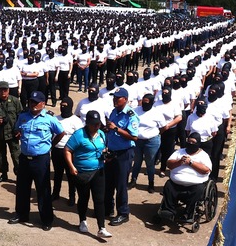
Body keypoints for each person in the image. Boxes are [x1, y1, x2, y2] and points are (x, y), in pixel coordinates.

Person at [9, 91, 63, 231]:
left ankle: (46, 219)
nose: (32, 104)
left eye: (35, 102)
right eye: (30, 102)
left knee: (43, 189)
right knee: (22, 188)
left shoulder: (49, 119)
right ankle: (21, 214)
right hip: (25, 158)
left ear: (43, 104)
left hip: (41, 159)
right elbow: (17, 129)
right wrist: (17, 133)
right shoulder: (23, 116)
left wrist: (51, 144)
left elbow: (61, 132)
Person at [64, 110, 112, 238]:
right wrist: (71, 166)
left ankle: (102, 228)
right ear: (87, 123)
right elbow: (67, 150)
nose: (97, 126)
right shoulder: (79, 135)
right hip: (82, 172)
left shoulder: (101, 134)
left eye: (98, 124)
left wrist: (106, 154)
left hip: (99, 170)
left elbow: (103, 148)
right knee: (84, 198)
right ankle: (82, 221)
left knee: (99, 199)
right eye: (94, 124)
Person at [154, 131, 212, 224]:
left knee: (198, 190)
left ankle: (188, 214)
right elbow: (169, 164)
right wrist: (179, 162)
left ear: (198, 143)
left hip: (195, 184)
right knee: (168, 186)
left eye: (193, 142)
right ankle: (168, 211)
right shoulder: (179, 152)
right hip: (176, 183)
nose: (191, 144)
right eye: (189, 141)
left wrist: (191, 163)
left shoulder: (203, 155)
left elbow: (206, 170)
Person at [106, 87, 139, 226]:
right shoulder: (114, 111)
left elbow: (134, 136)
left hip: (124, 154)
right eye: (114, 97)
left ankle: (123, 213)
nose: (114, 100)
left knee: (120, 184)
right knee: (108, 183)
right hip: (111, 152)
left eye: (117, 98)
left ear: (125, 99)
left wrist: (115, 128)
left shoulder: (131, 116)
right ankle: (108, 209)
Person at [130, 92, 164, 193]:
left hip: (151, 141)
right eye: (143, 102)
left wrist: (154, 134)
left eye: (147, 102)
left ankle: (151, 183)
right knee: (137, 162)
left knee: (150, 163)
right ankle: (133, 180)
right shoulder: (136, 110)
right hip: (137, 141)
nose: (144, 104)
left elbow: (163, 127)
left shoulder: (157, 113)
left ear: (152, 103)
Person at [0, 81, 22, 183]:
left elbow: (22, 118)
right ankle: (4, 174)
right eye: (1, 90)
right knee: (0, 155)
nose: (3, 92)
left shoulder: (15, 101)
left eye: (5, 90)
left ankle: (20, 176)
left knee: (16, 155)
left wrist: (20, 130)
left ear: (8, 90)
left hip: (13, 134)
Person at [51, 96, 83, 204]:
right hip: (56, 150)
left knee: (71, 175)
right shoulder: (55, 119)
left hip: (70, 152)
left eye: (65, 106)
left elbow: (80, 137)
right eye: (61, 105)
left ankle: (72, 197)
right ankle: (55, 193)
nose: (62, 107)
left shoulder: (76, 121)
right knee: (57, 174)